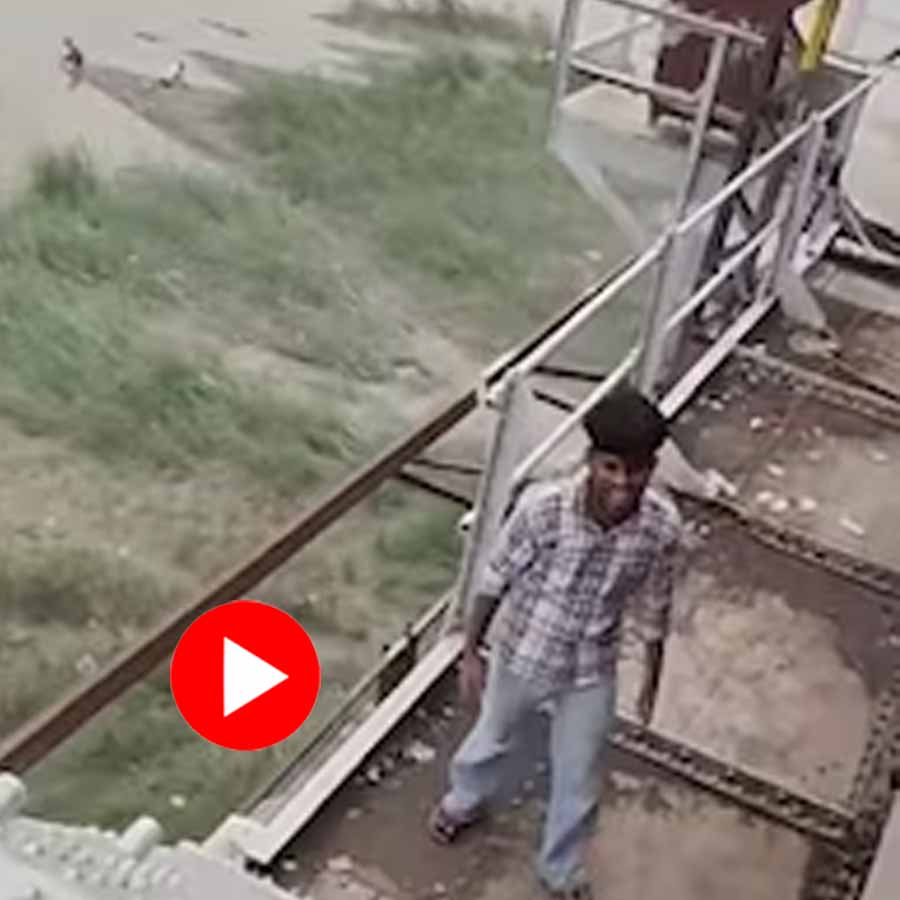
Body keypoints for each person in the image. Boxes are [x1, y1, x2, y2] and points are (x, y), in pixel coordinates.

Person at [427, 384, 682, 899]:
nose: (624, 483)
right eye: (612, 467)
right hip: (524, 652)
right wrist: (471, 651)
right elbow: (494, 578)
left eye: (637, 470)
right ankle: (463, 802)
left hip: (591, 668)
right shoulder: (542, 509)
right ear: (592, 460)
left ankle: (560, 870)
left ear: (651, 468)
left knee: (580, 772)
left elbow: (656, 606)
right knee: (492, 736)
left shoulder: (661, 528)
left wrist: (651, 680)